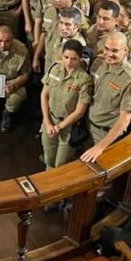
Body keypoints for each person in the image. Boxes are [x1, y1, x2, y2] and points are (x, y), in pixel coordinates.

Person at [80, 32, 131, 163]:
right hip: (87, 124)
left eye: (114, 51)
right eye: (106, 49)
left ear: (125, 50)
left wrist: (100, 147)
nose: (108, 54)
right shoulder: (98, 62)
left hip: (105, 135)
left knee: (100, 175)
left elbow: (124, 120)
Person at [41, 39, 93, 171]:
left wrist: (59, 127)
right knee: (49, 159)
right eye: (66, 57)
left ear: (80, 59)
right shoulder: (54, 69)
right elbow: (44, 95)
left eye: (74, 59)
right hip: (50, 120)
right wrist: (47, 122)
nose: (69, 62)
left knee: (60, 165)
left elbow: (80, 111)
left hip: (68, 127)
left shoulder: (84, 80)